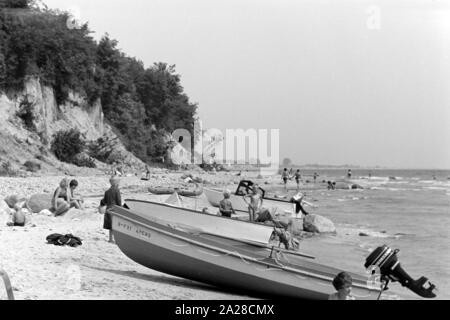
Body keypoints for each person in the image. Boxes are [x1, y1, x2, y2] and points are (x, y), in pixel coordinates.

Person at [101, 176, 122, 243]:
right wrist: (120, 208)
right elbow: (118, 201)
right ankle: (115, 239)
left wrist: (101, 204)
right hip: (114, 209)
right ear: (116, 183)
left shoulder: (107, 192)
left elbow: (104, 201)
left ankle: (110, 239)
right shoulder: (117, 190)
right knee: (115, 225)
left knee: (110, 226)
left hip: (108, 209)